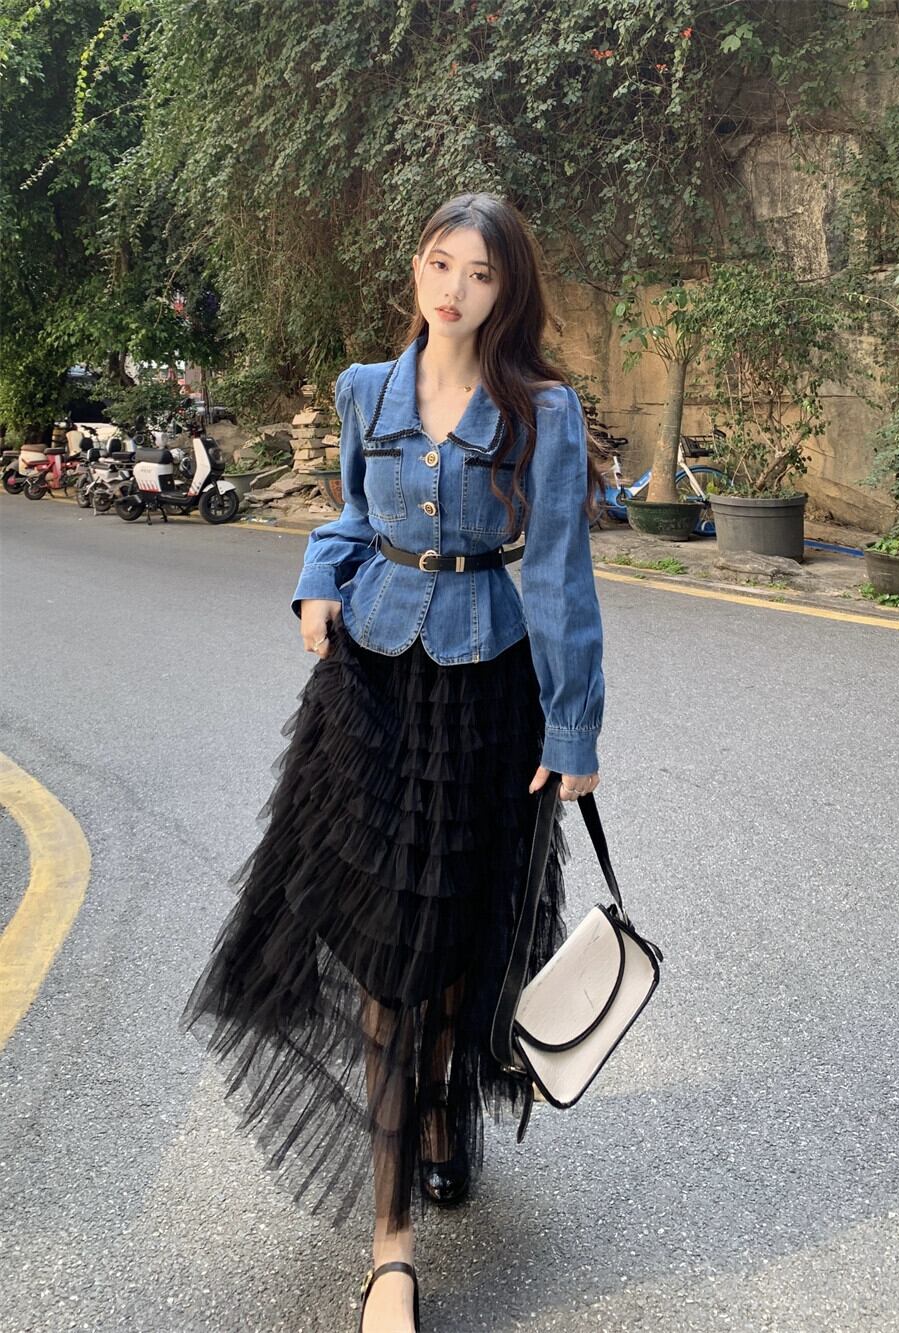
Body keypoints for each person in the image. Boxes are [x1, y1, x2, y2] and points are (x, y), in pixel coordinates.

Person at [179, 191, 606, 1333]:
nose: (454, 287)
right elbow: (354, 519)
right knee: (381, 948)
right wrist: (317, 580)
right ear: (416, 270)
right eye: (439, 262)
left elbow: (558, 574)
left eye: (480, 272)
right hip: (368, 688)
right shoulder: (365, 389)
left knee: (455, 931)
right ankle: (391, 1250)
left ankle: (440, 1109)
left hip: (484, 692)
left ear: (507, 292)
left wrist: (573, 729)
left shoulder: (541, 411)